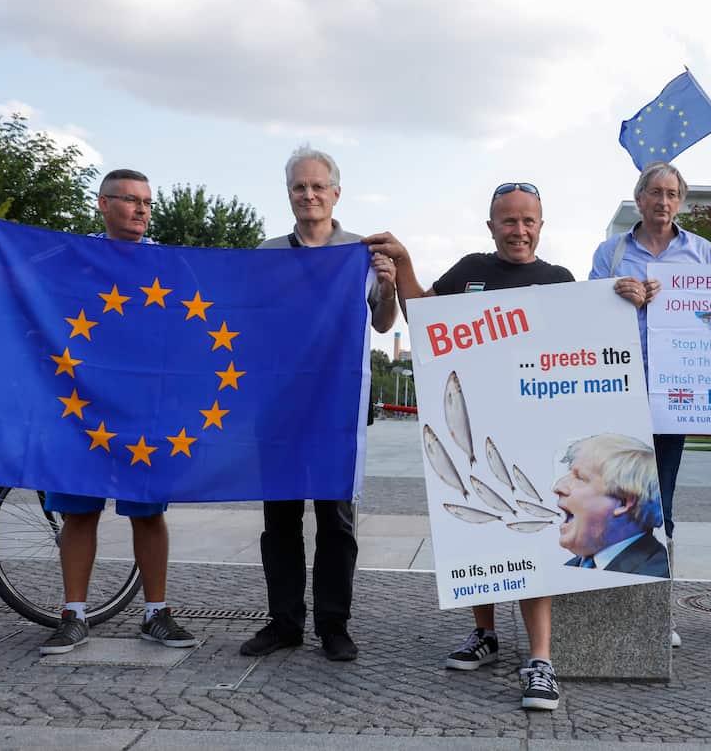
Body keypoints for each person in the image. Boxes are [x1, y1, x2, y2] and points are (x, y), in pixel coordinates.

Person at [0, 169, 199, 654]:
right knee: (79, 514)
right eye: (129, 200)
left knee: (147, 514)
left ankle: (157, 613)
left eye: (147, 202)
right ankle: (73, 615)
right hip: (78, 408)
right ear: (103, 205)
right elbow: (8, 280)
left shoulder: (169, 264)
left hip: (142, 411)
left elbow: (198, 321)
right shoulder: (69, 257)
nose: (141, 209)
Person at [363, 181, 575, 711]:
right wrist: (406, 262)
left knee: (533, 540)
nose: (519, 230)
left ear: (542, 226)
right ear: (491, 226)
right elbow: (422, 317)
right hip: (471, 434)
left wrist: (626, 298)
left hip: (533, 435)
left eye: (528, 221)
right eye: (509, 220)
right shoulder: (468, 271)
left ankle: (542, 661)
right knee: (476, 534)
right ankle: (485, 634)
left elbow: (586, 348)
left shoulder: (560, 281)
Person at [239, 145, 397, 663]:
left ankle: (334, 624)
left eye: (317, 186)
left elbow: (382, 324)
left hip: (335, 408)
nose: (308, 195)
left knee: (336, 520)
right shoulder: (267, 253)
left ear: (335, 192)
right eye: (298, 187)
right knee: (279, 520)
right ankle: (284, 622)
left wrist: (390, 284)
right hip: (280, 407)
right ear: (289, 195)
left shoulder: (361, 251)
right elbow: (250, 321)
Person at [588, 160, 711, 647]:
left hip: (673, 394)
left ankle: (655, 609)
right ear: (639, 199)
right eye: (655, 192)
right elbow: (584, 312)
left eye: (672, 193)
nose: (663, 202)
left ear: (681, 202)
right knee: (615, 500)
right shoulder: (612, 251)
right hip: (619, 388)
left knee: (661, 500)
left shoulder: (699, 251)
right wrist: (614, 295)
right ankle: (606, 602)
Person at [553, 433, 669, 577]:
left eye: (580, 478)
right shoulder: (570, 568)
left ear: (623, 502)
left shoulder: (653, 574)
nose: (558, 487)